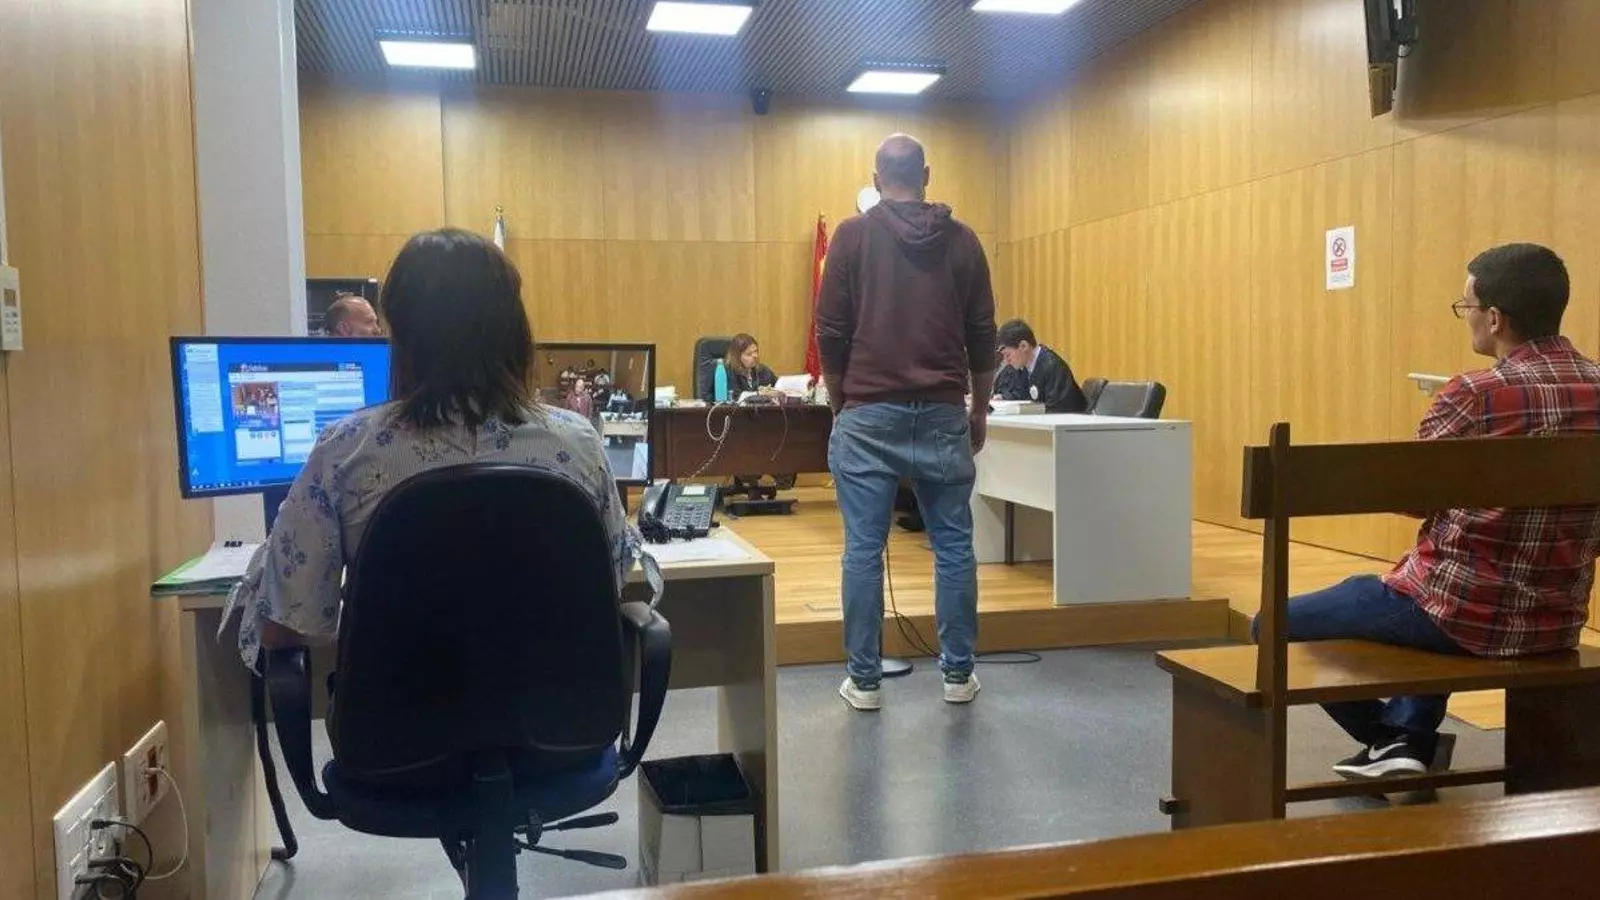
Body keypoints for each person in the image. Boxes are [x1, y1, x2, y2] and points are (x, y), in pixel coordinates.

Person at [225, 228, 645, 672]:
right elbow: (610, 579)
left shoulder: (346, 449)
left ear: (402, 336)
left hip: (395, 713)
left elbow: (284, 625)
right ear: (515, 331)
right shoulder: (577, 442)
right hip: (555, 711)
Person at [1256, 243, 1600, 779]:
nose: (1467, 318)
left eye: (1467, 307)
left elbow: (1410, 495)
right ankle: (1406, 738)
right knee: (1421, 587)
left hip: (1460, 614)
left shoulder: (1474, 394)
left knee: (1272, 622)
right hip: (1557, 621)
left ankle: (1389, 735)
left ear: (1495, 318)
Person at [816, 133, 997, 710]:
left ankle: (865, 682)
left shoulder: (851, 237)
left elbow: (831, 332)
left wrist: (841, 402)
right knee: (954, 546)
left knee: (863, 550)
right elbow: (982, 337)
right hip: (942, 410)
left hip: (867, 412)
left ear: (876, 179)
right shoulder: (964, 241)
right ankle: (958, 676)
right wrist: (977, 408)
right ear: (927, 175)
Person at [996, 319, 1087, 413]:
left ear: (1024, 346)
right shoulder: (1023, 368)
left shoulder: (1052, 366)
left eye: (1008, 355)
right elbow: (1021, 394)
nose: (1006, 361)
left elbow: (1058, 409)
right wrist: (1003, 398)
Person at [700, 333, 777, 402]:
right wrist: (759, 394)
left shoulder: (762, 370)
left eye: (756, 351)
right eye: (749, 354)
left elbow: (778, 386)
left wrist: (773, 392)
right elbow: (734, 397)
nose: (755, 356)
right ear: (737, 357)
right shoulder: (727, 372)